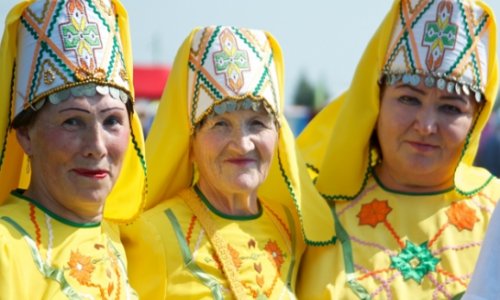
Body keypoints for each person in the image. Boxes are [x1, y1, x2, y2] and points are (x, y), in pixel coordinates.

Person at [296, 0, 500, 299]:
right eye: (408, 99)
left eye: (450, 107)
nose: (426, 125)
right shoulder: (310, 213)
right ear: (375, 100)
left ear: (476, 117)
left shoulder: (494, 210)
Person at [120, 25, 334, 299]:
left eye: (257, 123)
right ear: (191, 141)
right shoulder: (153, 233)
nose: (243, 143)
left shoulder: (291, 229)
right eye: (220, 124)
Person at [0, 0, 146, 298]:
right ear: (25, 135)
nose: (96, 147)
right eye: (72, 122)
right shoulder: (5, 247)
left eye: (112, 121)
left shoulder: (117, 242)